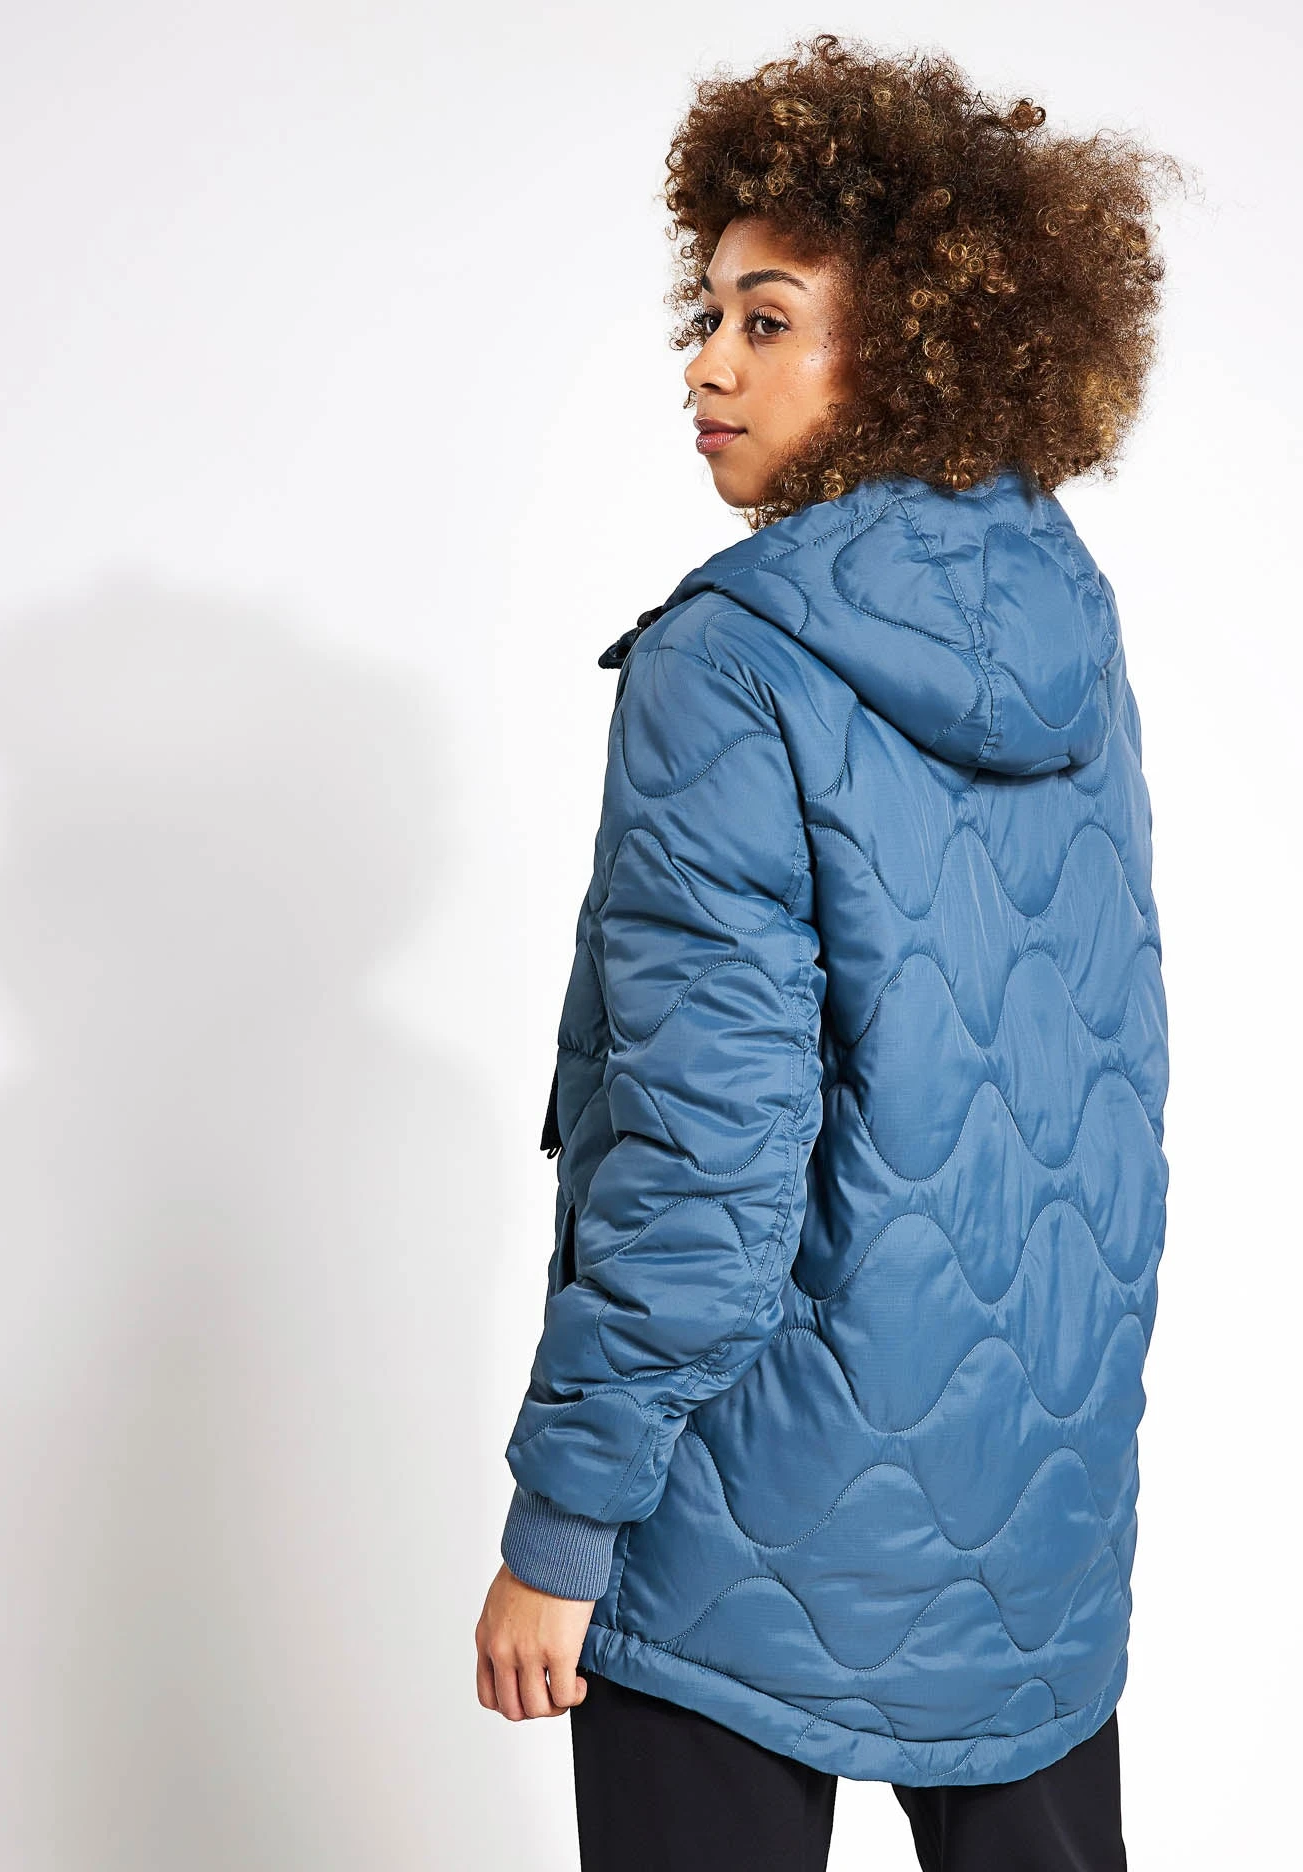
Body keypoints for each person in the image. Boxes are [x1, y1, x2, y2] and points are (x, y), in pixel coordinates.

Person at [475, 33, 1177, 1871]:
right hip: (1035, 1496)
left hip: (742, 1506)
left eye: (768, 320)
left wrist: (563, 1524)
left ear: (920, 350)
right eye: (706, 313)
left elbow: (706, 1149)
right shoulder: (1069, 618)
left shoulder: (729, 662)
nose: (706, 363)